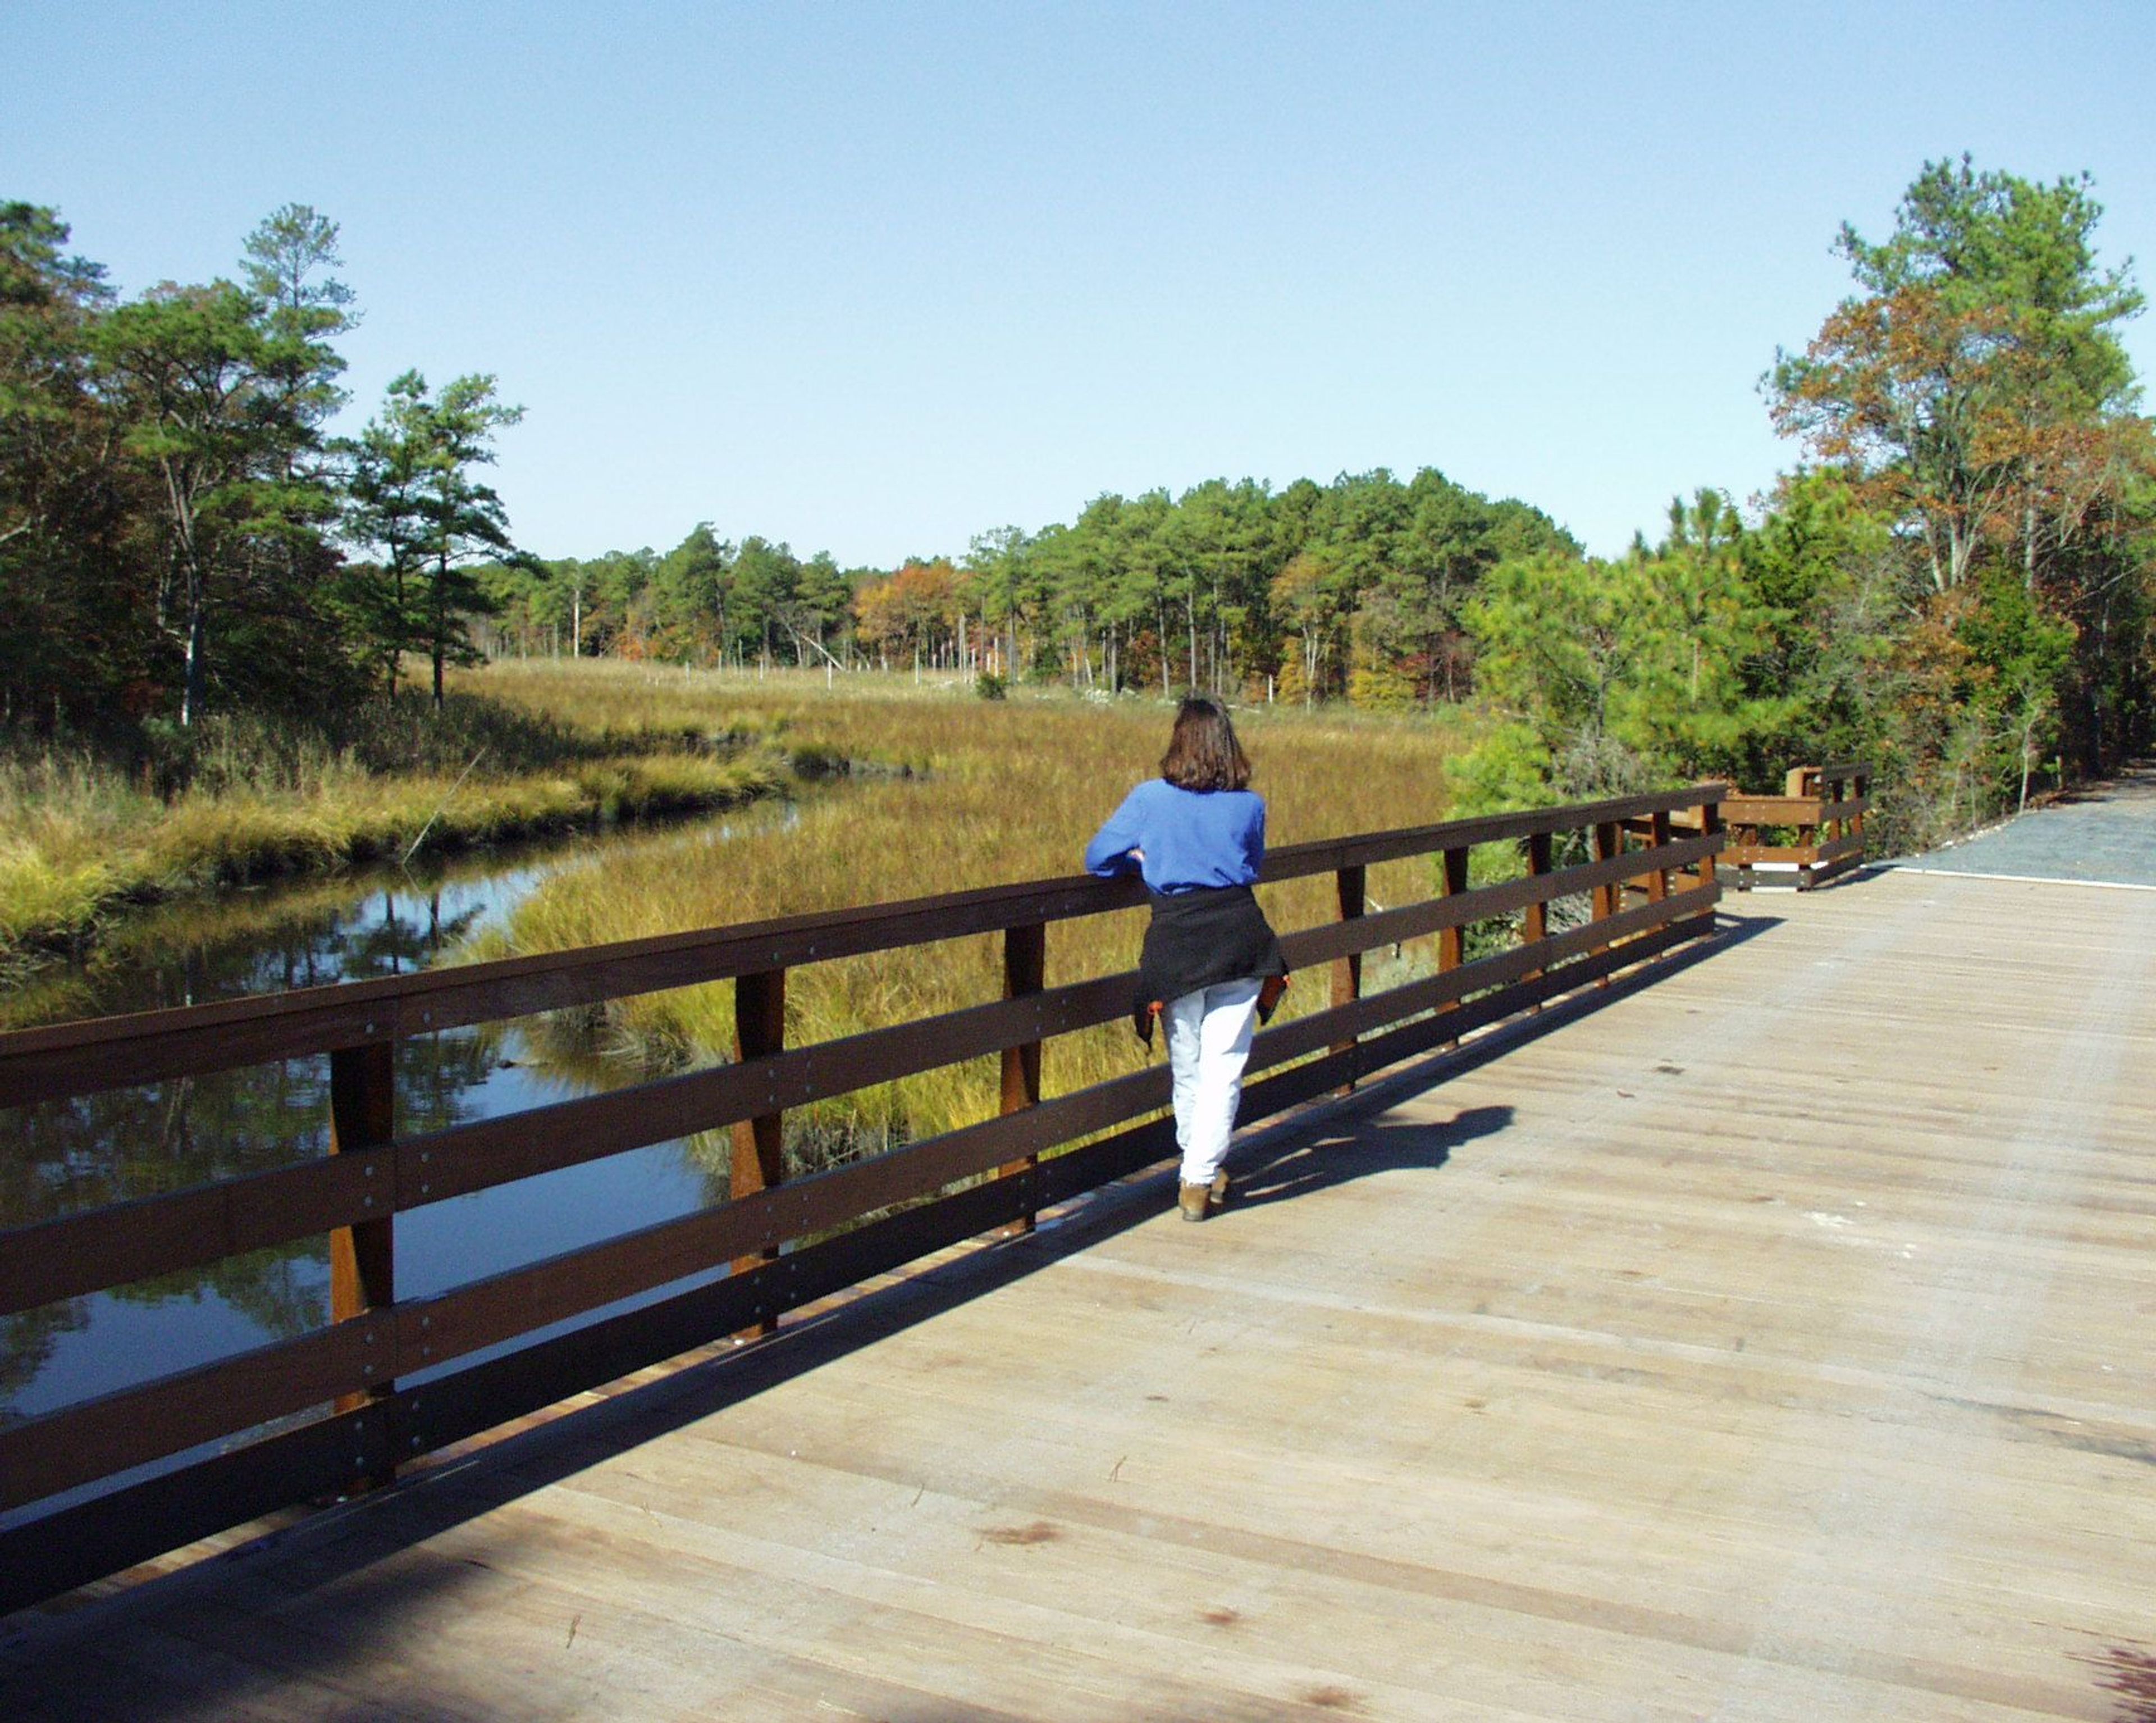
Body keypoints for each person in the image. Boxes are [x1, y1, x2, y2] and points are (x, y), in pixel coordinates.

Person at [1085, 695, 1287, 1222]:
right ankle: (1199, 1176)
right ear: (1229, 746)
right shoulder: (1250, 805)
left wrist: (1140, 859)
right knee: (1225, 1067)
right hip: (1241, 939)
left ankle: (1196, 1170)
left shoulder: (1150, 799)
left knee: (1189, 1066)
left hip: (1177, 942)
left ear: (1179, 742)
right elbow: (1253, 865)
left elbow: (1096, 858)